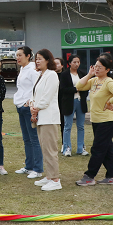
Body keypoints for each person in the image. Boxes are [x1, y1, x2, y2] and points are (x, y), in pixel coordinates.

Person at [75, 55, 113, 186]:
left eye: (100, 67)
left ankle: (89, 176)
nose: (96, 69)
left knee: (97, 148)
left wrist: (110, 102)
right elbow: (79, 86)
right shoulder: (94, 81)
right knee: (107, 149)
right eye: (95, 66)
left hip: (107, 120)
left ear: (107, 69)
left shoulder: (108, 82)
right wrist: (89, 74)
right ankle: (111, 176)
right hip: (96, 120)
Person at [30, 49, 62, 191]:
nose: (37, 61)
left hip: (49, 117)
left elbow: (47, 97)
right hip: (41, 117)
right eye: (36, 58)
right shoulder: (41, 75)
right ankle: (49, 176)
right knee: (44, 148)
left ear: (48, 60)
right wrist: (32, 105)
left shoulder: (52, 75)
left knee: (50, 149)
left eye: (40, 58)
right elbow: (34, 95)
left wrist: (36, 107)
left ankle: (55, 179)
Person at [13, 46, 43, 179]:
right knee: (26, 139)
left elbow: (37, 88)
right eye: (17, 55)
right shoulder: (22, 69)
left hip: (28, 107)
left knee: (34, 138)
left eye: (20, 55)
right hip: (20, 106)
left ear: (28, 56)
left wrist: (29, 102)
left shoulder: (32, 70)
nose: (17, 58)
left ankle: (38, 169)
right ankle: (29, 166)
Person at [59, 55, 88, 157]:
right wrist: (76, 89)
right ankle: (67, 148)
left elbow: (86, 87)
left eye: (78, 62)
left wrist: (82, 92)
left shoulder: (82, 73)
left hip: (80, 101)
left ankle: (81, 148)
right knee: (67, 126)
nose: (76, 64)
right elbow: (63, 89)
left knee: (81, 126)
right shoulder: (64, 74)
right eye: (74, 62)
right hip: (69, 102)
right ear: (69, 63)